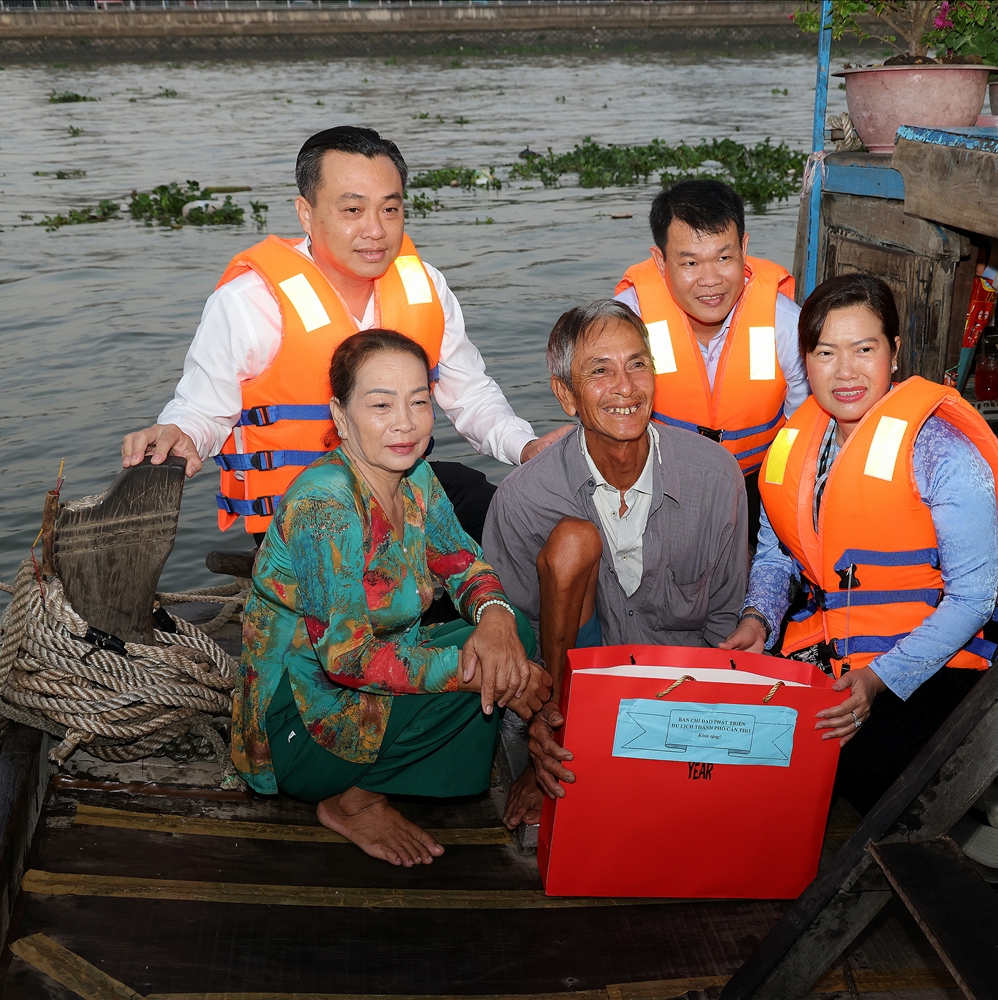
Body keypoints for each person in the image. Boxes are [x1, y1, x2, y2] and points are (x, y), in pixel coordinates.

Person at [120, 125, 569, 542]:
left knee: (520, 520)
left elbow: (469, 394)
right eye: (353, 209)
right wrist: (179, 432)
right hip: (301, 516)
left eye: (390, 209)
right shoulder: (248, 302)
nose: (375, 230)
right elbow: (202, 409)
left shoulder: (424, 285)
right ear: (306, 212)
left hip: (402, 493)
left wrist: (525, 446)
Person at [721, 274, 998, 814]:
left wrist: (878, 681)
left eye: (864, 349)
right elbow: (777, 551)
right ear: (805, 359)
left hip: (936, 659)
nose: (845, 372)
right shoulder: (795, 442)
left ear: (893, 353)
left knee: (858, 761)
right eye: (825, 352)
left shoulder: (945, 454)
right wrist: (759, 618)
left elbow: (973, 598)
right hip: (828, 649)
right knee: (752, 745)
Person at [231, 330, 551, 866]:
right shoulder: (325, 506)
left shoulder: (417, 478)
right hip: (301, 721)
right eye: (380, 404)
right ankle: (349, 801)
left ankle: (392, 769)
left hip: (363, 684)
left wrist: (495, 621)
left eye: (419, 401)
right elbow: (346, 659)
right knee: (481, 670)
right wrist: (480, 673)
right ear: (340, 415)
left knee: (511, 632)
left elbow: (464, 565)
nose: (405, 422)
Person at [481, 299, 750, 828]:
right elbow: (515, 641)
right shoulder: (523, 498)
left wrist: (684, 728)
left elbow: (723, 624)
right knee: (572, 542)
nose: (625, 387)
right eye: (599, 371)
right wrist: (544, 725)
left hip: (679, 691)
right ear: (566, 395)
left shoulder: (716, 477)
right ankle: (554, 752)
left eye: (637, 364)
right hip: (568, 695)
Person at [614, 179, 808, 543]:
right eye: (690, 262)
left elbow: (805, 433)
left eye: (724, 258)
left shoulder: (786, 325)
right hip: (655, 490)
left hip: (756, 488)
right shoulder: (626, 323)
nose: (710, 280)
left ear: (744, 249)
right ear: (660, 261)